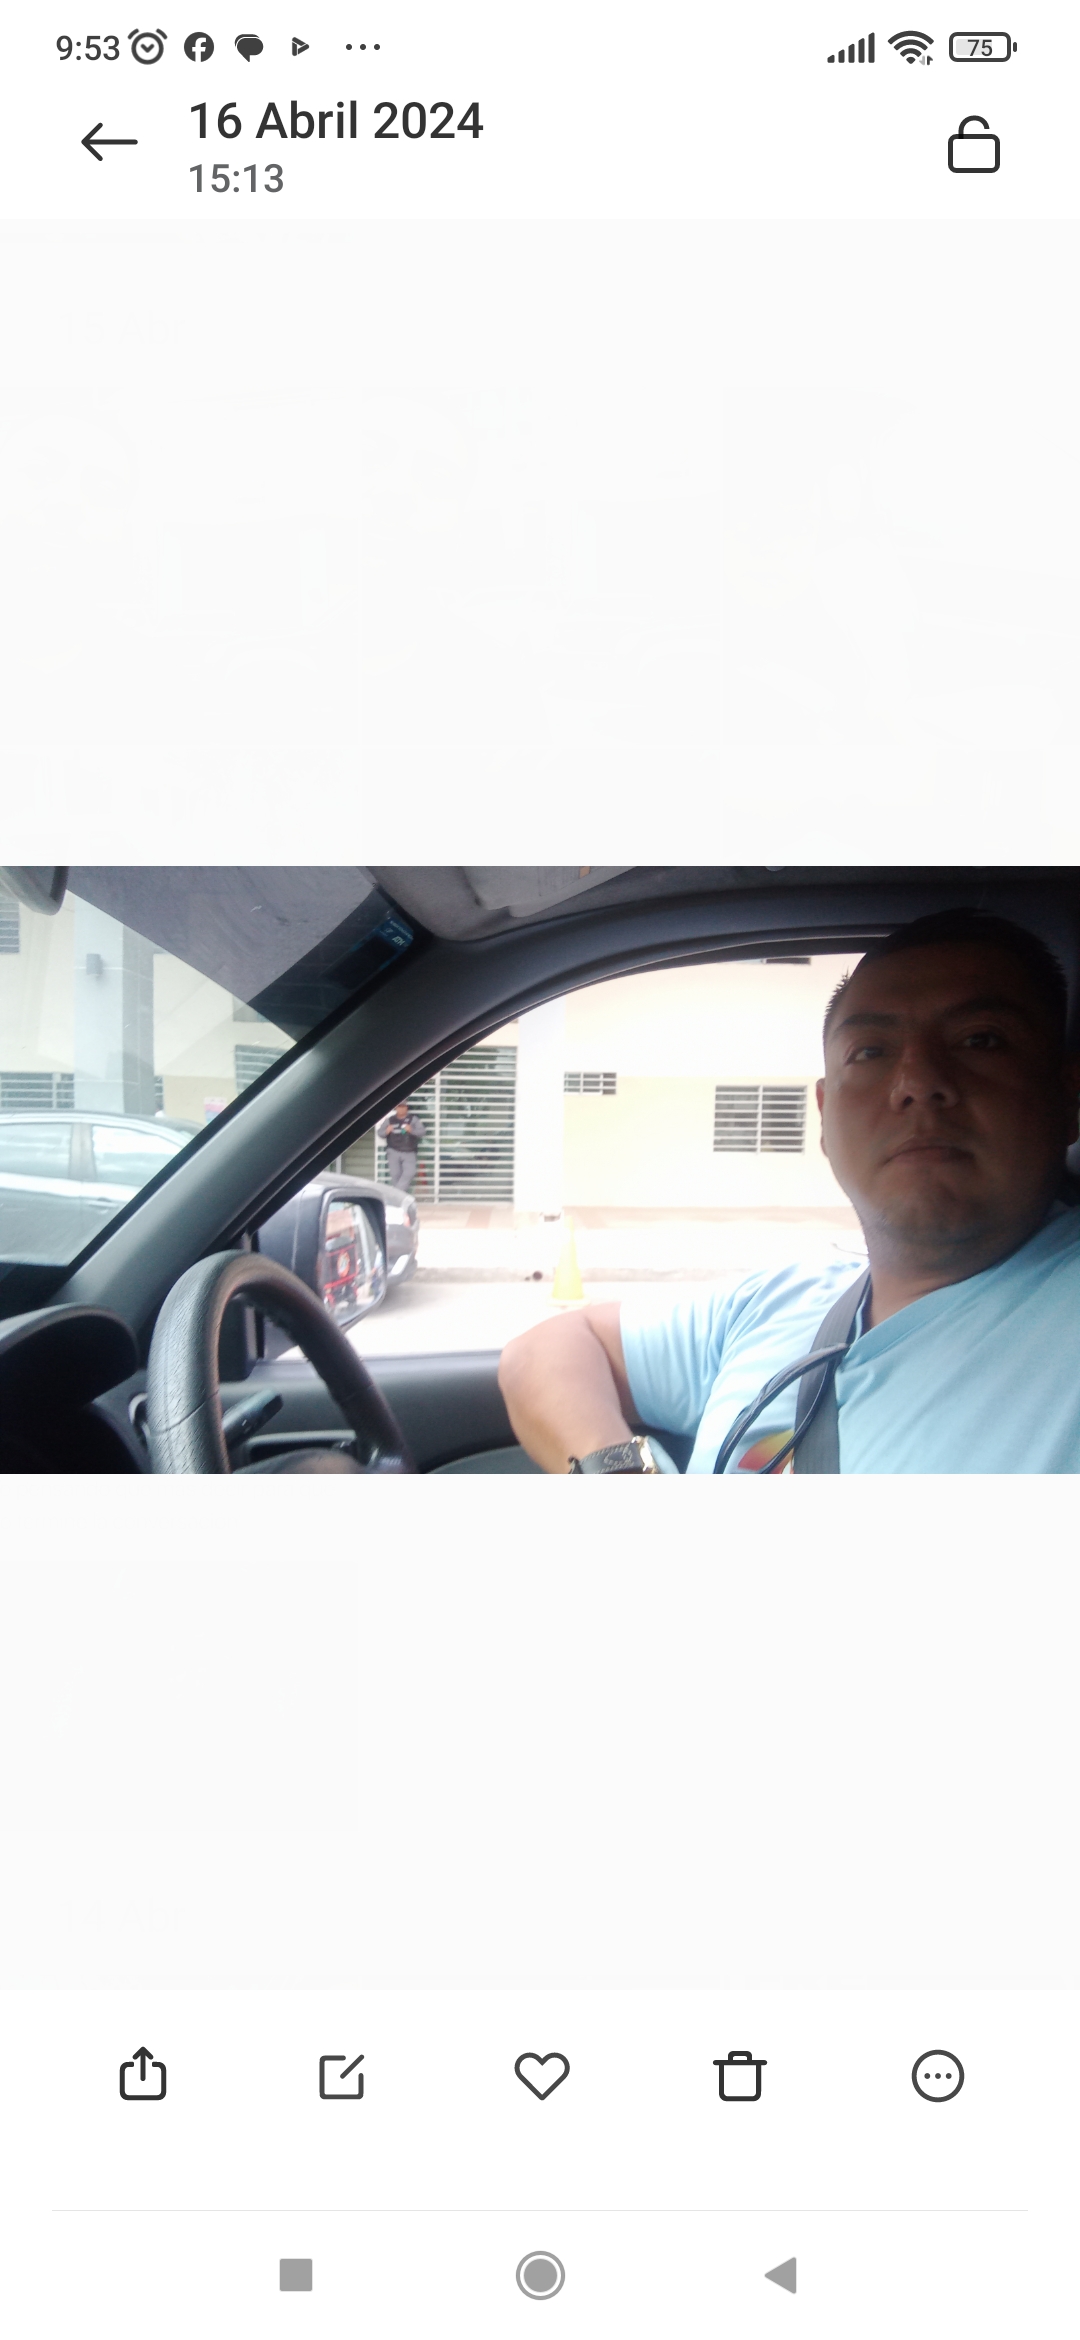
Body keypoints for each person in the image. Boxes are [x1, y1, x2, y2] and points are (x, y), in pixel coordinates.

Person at [498, 910, 1080, 1474]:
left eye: (981, 1040)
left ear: (1069, 1096)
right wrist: (621, 1476)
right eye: (870, 1052)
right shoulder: (781, 1301)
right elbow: (550, 1346)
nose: (917, 1082)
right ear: (823, 1116)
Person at [376, 1100, 425, 1194]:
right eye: (399, 1106)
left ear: (406, 1107)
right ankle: (399, 1198)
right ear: (396, 1108)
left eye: (403, 1106)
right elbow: (380, 1133)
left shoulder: (413, 1119)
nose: (401, 1109)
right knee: (395, 1175)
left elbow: (422, 1132)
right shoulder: (390, 1120)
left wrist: (411, 1130)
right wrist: (387, 1131)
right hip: (393, 1151)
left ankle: (396, 1194)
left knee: (410, 1172)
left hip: (409, 1151)